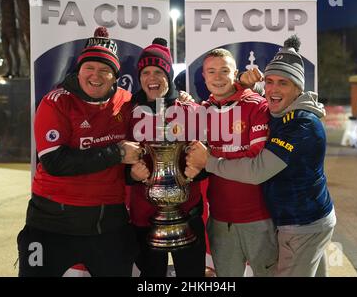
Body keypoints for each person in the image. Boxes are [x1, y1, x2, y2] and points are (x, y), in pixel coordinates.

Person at [186, 36, 336, 277]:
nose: (274, 89)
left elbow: (257, 169)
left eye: (283, 83)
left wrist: (210, 159)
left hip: (295, 223)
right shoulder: (277, 108)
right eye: (270, 82)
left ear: (298, 87)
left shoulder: (299, 123)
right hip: (242, 220)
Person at [17, 27, 142, 277]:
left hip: (108, 224)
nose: (96, 75)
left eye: (105, 69)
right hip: (52, 224)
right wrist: (116, 153)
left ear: (115, 75)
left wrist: (178, 95)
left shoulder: (127, 101)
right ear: (79, 68)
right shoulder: (56, 101)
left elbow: (140, 144)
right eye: (90, 68)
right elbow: (55, 162)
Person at [188, 48, 277, 277]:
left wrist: (211, 159)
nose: (217, 77)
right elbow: (195, 163)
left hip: (260, 218)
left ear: (235, 73)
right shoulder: (201, 112)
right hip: (220, 220)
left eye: (224, 71)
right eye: (211, 71)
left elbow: (257, 161)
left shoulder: (256, 105)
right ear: (204, 77)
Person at [127, 38, 207, 277]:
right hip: (144, 217)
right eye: (146, 72)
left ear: (169, 74)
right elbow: (118, 161)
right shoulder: (128, 112)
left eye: (158, 72)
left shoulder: (191, 111)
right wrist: (130, 174)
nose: (151, 78)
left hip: (187, 214)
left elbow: (208, 158)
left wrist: (199, 168)